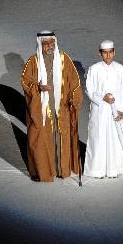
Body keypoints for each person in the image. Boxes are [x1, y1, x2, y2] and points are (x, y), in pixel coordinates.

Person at [21, 30, 83, 182]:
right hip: (42, 109)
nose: (49, 46)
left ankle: (62, 169)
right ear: (40, 44)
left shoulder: (64, 59)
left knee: (62, 137)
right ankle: (44, 171)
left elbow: (75, 82)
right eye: (45, 43)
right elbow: (26, 82)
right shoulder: (33, 62)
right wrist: (38, 88)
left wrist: (74, 99)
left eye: (52, 42)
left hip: (61, 109)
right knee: (41, 137)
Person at [84, 40, 123, 178]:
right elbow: (89, 90)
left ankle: (114, 169)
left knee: (115, 138)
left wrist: (121, 109)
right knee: (98, 138)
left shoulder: (120, 68)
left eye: (110, 52)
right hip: (99, 111)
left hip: (115, 111)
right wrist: (102, 98)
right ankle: (97, 171)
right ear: (100, 54)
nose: (108, 56)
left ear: (114, 52)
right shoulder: (94, 69)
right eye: (105, 53)